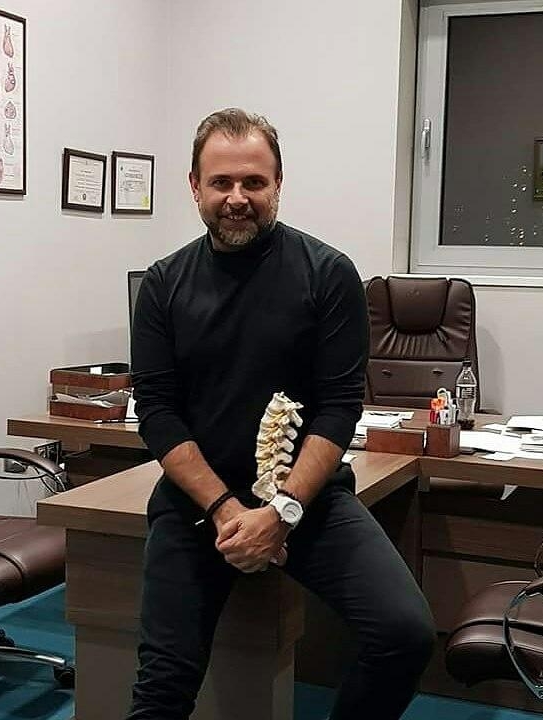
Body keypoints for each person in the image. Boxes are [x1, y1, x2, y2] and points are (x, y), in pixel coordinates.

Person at [128, 108, 435, 720]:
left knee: (405, 633)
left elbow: (339, 407)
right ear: (194, 186)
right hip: (198, 508)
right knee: (162, 686)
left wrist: (282, 512)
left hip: (307, 501)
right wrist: (227, 510)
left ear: (278, 184)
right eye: (220, 182)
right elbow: (157, 412)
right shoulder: (163, 285)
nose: (237, 198)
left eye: (254, 182)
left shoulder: (328, 274)